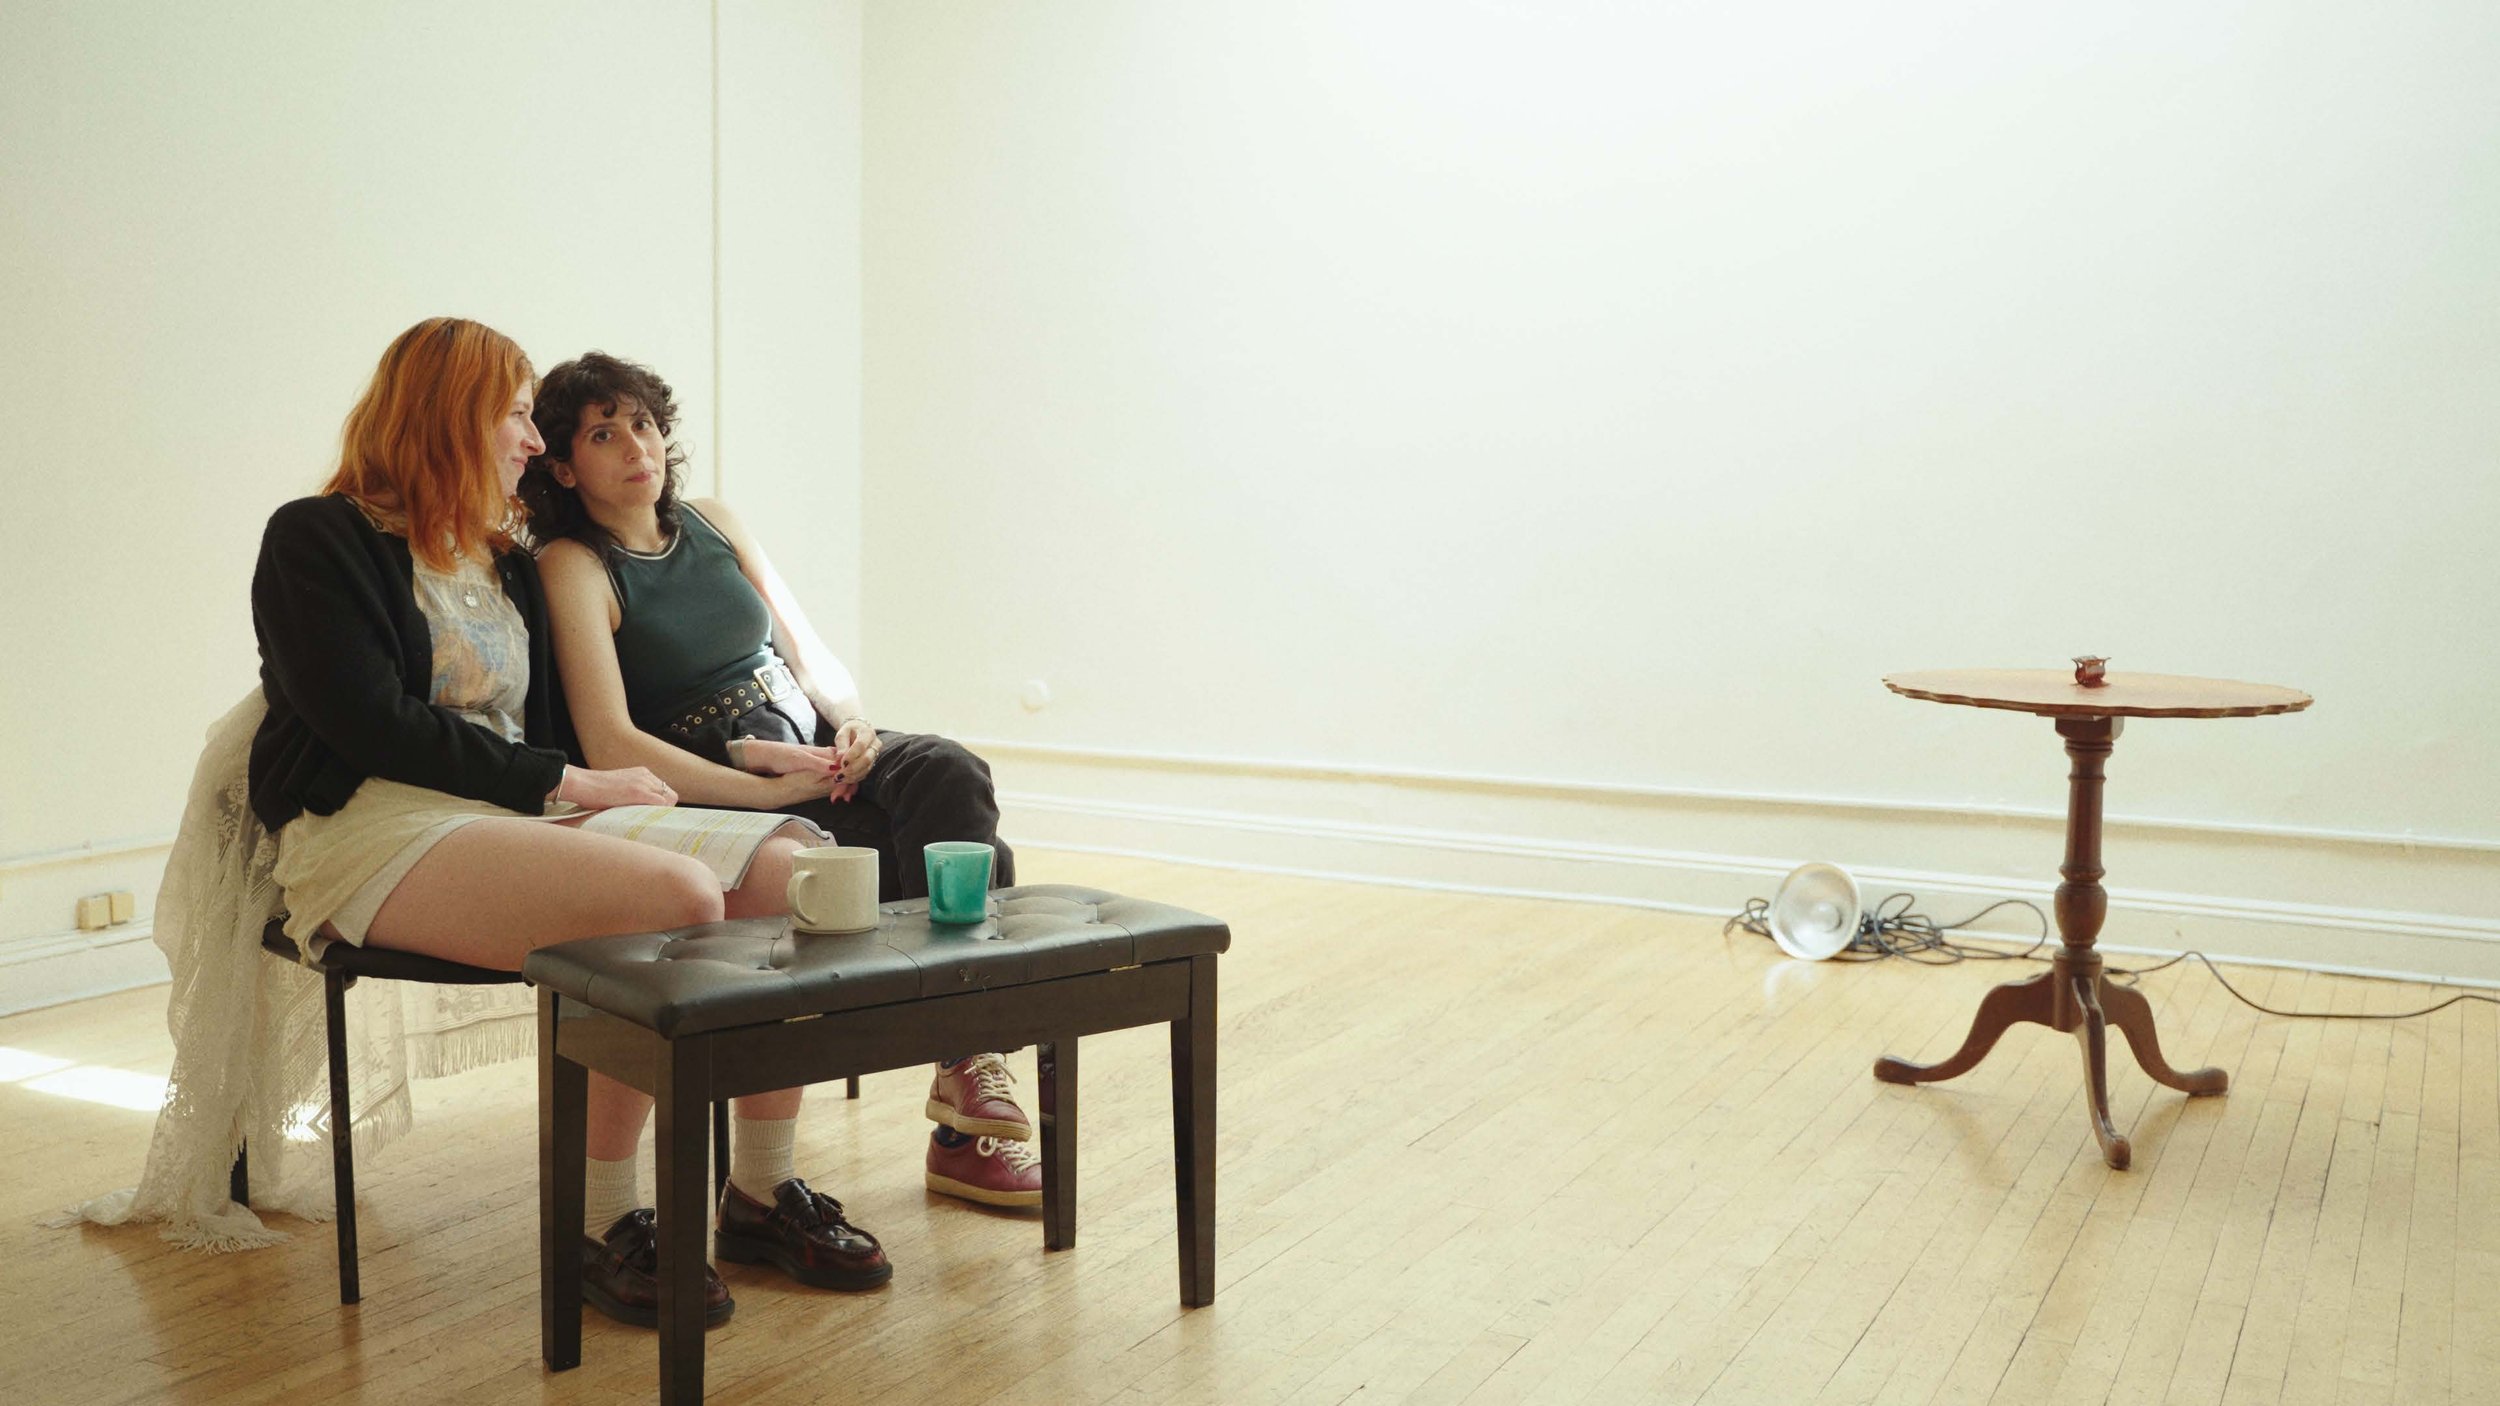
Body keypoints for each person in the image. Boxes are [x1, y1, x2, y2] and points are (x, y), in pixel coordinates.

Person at [249, 317, 888, 1330]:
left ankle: (762, 1190)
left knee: (796, 874)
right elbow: (371, 724)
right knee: (673, 895)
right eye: (514, 413)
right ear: (449, 416)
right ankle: (602, 1221)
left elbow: (559, 717)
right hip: (376, 825)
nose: (534, 439)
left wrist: (736, 760)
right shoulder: (315, 538)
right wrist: (569, 782)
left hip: (515, 809)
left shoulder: (503, 560)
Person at [518, 351, 1041, 1208]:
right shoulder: (574, 563)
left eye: (643, 423)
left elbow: (805, 651)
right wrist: (762, 793)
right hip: (720, 782)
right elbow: (611, 743)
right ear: (566, 468)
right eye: (604, 434)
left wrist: (855, 724)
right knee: (965, 866)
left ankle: (963, 1062)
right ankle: (965, 1110)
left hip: (818, 745)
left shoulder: (714, 521)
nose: (637, 447)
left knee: (951, 776)